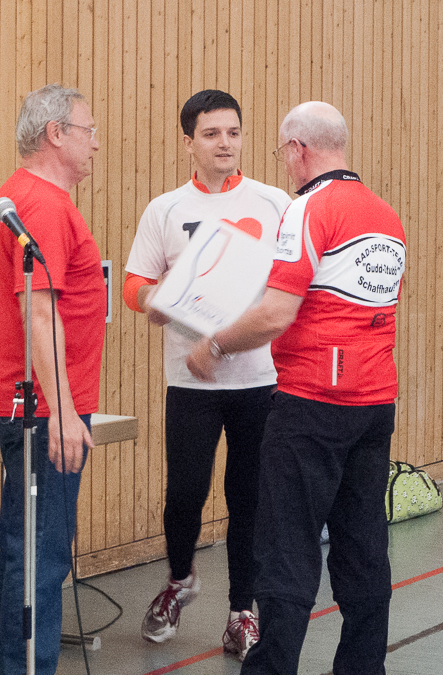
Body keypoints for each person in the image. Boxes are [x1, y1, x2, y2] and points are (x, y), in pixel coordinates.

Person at [186, 101, 406, 675]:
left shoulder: (308, 210)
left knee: (286, 551)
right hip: (375, 403)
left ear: (297, 150)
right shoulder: (386, 215)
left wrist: (214, 345)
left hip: (312, 404)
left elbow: (274, 314)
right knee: (363, 549)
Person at [124, 89, 291, 660]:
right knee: (185, 494)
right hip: (189, 382)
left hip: (258, 382)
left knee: (248, 499)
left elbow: (290, 286)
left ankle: (242, 611)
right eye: (212, 134)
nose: (225, 144)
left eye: (234, 133)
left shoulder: (274, 205)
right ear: (189, 141)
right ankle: (179, 581)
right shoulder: (164, 210)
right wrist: (156, 299)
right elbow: (131, 287)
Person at [0, 84, 106, 675]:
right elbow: (39, 313)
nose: (95, 143)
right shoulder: (44, 206)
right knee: (42, 555)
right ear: (56, 133)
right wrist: (65, 413)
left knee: (27, 550)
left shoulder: (24, 198)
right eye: (88, 130)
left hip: (34, 403)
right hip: (40, 410)